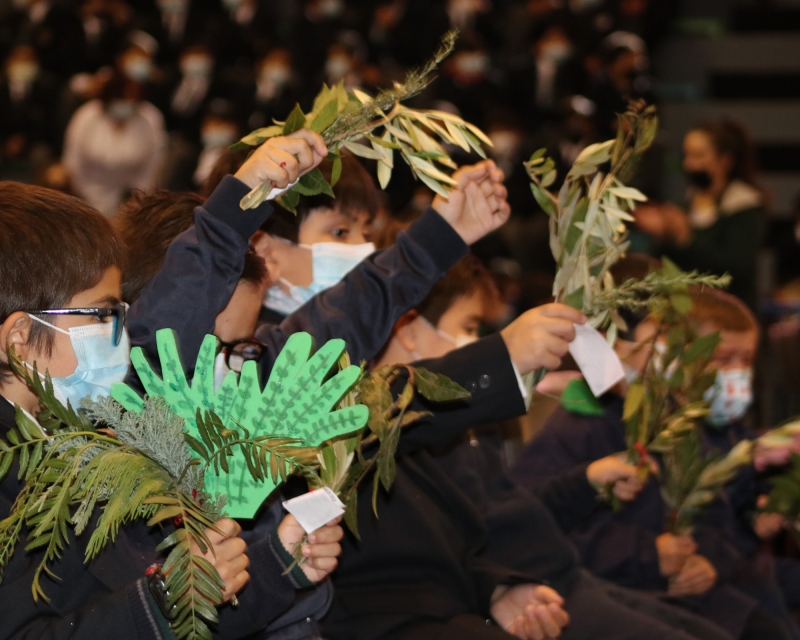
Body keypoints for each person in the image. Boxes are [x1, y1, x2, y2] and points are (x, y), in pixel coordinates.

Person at [321, 254, 733, 640]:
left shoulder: (468, 426)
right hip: (534, 591)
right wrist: (499, 589)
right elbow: (465, 546)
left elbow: (503, 516)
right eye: (467, 328)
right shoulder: (406, 435)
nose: (475, 342)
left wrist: (584, 484)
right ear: (407, 331)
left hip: (551, 579)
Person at [0, 180, 344, 639]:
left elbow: (155, 615)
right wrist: (165, 599)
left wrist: (277, 564)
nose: (121, 335)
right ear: (21, 339)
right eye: (103, 316)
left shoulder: (63, 436)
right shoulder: (22, 465)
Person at [511, 285, 796, 640]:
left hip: (695, 591)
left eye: (745, 362)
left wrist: (716, 553)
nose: (735, 374)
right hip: (617, 591)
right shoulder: (584, 424)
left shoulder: (687, 426)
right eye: (722, 359)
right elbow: (529, 523)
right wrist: (648, 555)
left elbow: (714, 521)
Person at [633, 120, 765, 310]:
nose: (689, 164)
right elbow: (665, 268)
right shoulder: (682, 206)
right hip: (686, 314)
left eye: (698, 155)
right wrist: (662, 234)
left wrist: (686, 240)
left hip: (731, 316)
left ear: (724, 161)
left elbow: (734, 268)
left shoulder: (745, 205)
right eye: (686, 155)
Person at [62, 71, 167, 216]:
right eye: (121, 98)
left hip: (130, 198)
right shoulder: (87, 115)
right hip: (87, 192)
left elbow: (154, 163)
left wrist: (139, 196)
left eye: (132, 99)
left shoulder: (150, 118)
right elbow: (73, 160)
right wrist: (81, 196)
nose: (126, 103)